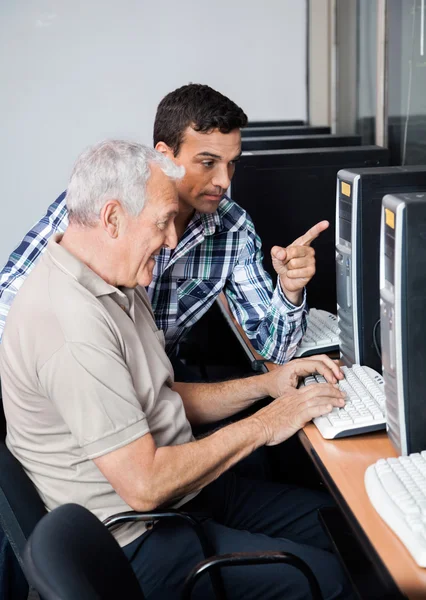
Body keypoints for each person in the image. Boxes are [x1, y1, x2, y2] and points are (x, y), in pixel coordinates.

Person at [0, 141, 355, 600]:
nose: (172, 240)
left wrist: (266, 385)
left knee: (340, 525)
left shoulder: (113, 277)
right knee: (331, 579)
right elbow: (145, 485)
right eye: (163, 221)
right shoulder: (69, 324)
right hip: (140, 537)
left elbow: (161, 399)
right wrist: (267, 423)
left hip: (183, 492)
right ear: (112, 219)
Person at [0, 84, 328, 366]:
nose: (223, 180)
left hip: (160, 388)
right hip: (86, 376)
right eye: (208, 163)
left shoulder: (234, 229)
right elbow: (7, 309)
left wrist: (290, 289)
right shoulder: (100, 201)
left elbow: (274, 351)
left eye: (232, 164)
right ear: (165, 155)